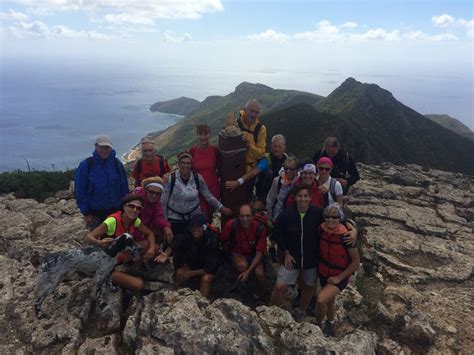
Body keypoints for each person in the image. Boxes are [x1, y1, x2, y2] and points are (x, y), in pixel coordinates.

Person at [270, 185, 321, 318]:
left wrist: (352, 229)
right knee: (279, 286)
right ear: (295, 197)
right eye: (300, 196)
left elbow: (336, 220)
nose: (302, 199)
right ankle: (270, 312)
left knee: (309, 286)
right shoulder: (286, 214)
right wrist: (286, 252)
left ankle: (301, 310)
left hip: (311, 259)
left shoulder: (318, 213)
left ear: (310, 197)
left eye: (305, 196)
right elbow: (277, 234)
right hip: (291, 258)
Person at [86, 194, 155, 291]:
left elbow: (149, 233)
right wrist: (100, 242)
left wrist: (151, 248)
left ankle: (132, 269)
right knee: (138, 285)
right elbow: (89, 237)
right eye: (131, 206)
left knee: (151, 246)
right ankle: (110, 278)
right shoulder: (112, 221)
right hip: (106, 263)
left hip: (120, 257)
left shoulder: (135, 221)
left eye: (138, 208)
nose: (135, 210)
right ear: (124, 206)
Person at [315, 204, 360, 337]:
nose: (330, 219)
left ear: (339, 218)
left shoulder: (346, 237)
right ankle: (330, 323)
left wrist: (339, 278)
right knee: (330, 301)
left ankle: (316, 326)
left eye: (334, 217)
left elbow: (356, 262)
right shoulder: (321, 230)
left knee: (321, 300)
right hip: (324, 272)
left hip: (339, 276)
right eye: (327, 216)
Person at [161, 152, 232, 235]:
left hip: (194, 218)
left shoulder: (197, 177)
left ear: (191, 165)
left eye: (188, 163)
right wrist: (165, 224)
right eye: (183, 163)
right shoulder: (170, 178)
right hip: (175, 218)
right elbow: (163, 202)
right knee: (177, 244)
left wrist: (222, 208)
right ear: (179, 164)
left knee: (195, 243)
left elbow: (208, 195)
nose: (185, 165)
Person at [75, 135, 129, 231]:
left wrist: (124, 208)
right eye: (101, 147)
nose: (104, 150)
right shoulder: (87, 165)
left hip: (115, 212)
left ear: (111, 147)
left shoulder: (116, 164)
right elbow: (80, 190)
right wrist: (86, 213)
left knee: (116, 240)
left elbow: (123, 187)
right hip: (95, 214)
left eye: (107, 147)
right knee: (96, 241)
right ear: (96, 146)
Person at [163, 214, 223, 298]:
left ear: (204, 227)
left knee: (205, 279)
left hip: (214, 269)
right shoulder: (189, 233)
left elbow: (210, 268)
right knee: (179, 272)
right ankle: (179, 299)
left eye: (198, 226)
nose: (195, 229)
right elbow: (178, 240)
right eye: (193, 226)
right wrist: (166, 253)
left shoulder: (212, 240)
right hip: (196, 264)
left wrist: (190, 273)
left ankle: (202, 303)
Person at [221, 203, 267, 298]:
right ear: (238, 216)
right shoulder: (230, 226)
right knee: (242, 266)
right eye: (242, 216)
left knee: (260, 274)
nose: (245, 219)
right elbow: (224, 242)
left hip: (254, 253)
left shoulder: (259, 228)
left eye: (248, 216)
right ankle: (248, 289)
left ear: (253, 216)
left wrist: (249, 271)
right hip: (237, 252)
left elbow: (260, 253)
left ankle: (264, 294)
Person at [189, 123, 220, 221]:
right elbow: (187, 168)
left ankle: (209, 233)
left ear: (209, 134)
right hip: (197, 188)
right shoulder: (193, 150)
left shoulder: (214, 150)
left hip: (213, 188)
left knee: (210, 214)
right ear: (197, 135)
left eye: (205, 134)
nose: (203, 137)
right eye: (200, 134)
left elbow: (220, 167)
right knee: (202, 214)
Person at [131, 177, 173, 244]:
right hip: (132, 231)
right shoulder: (136, 199)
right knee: (150, 245)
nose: (154, 195)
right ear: (145, 190)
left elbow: (158, 216)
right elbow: (131, 220)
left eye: (158, 193)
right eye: (151, 192)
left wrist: (166, 226)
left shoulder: (156, 202)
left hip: (144, 230)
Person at [266, 156, 299, 222]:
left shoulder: (300, 182)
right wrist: (269, 218)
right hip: (277, 217)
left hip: (293, 219)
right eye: (286, 168)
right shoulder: (277, 181)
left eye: (291, 169)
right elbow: (270, 200)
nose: (288, 171)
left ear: (297, 170)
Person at [255, 134, 288, 200]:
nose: (277, 149)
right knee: (269, 172)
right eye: (275, 146)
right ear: (271, 146)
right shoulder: (265, 159)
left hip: (281, 190)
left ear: (284, 148)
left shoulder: (287, 158)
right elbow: (254, 173)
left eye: (279, 147)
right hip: (265, 191)